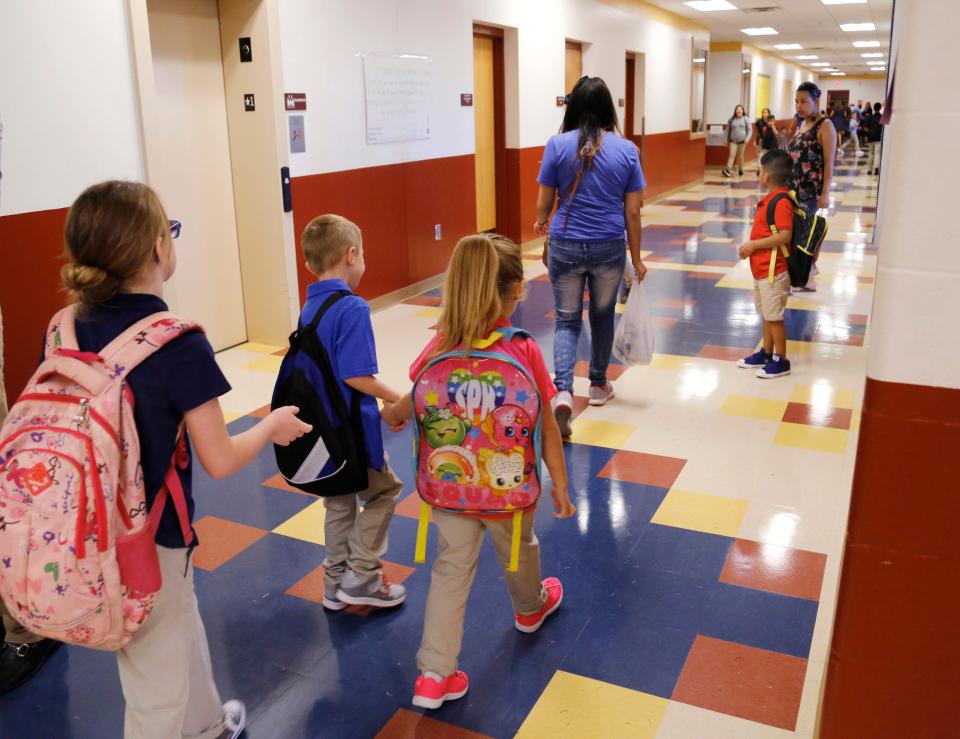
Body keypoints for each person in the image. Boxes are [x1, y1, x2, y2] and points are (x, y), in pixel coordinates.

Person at [49, 180, 310, 738]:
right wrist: (270, 425)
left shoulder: (63, 326)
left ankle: (209, 726)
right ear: (155, 249)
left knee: (174, 630)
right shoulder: (175, 342)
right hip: (149, 536)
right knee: (154, 690)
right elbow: (219, 458)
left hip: (80, 522)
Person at [382, 234, 575, 710]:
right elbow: (547, 425)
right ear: (516, 292)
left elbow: (416, 399)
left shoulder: (440, 343)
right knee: (519, 549)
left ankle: (433, 674)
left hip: (448, 489)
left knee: (451, 571)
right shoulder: (524, 350)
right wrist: (561, 486)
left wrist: (394, 413)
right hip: (508, 490)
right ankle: (530, 609)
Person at [295, 214, 408, 610]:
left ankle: (334, 586)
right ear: (352, 254)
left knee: (339, 502)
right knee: (386, 492)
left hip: (324, 431)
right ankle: (362, 573)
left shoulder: (310, 306)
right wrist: (395, 399)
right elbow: (357, 376)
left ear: (310, 264)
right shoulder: (352, 307)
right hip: (352, 431)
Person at [533, 76, 646, 437]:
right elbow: (633, 212)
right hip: (609, 245)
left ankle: (563, 390)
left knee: (566, 320)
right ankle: (597, 385)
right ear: (608, 108)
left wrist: (539, 222)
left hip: (566, 243)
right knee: (601, 315)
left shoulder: (556, 145)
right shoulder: (627, 150)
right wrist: (638, 258)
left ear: (573, 107)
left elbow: (543, 203)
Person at [736, 150, 795, 379]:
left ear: (768, 175)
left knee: (775, 318)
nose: (758, 173)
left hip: (774, 271)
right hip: (762, 270)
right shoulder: (770, 199)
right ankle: (767, 352)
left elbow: (784, 235)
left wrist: (753, 245)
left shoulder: (781, 202)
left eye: (759, 170)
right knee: (767, 315)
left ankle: (782, 360)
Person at [787, 82, 836, 291]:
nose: (799, 106)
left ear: (816, 101)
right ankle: (805, 273)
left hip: (810, 191)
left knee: (804, 234)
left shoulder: (825, 126)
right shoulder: (802, 123)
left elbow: (829, 161)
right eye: (797, 101)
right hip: (793, 190)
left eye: (804, 101)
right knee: (795, 232)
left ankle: (804, 276)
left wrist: (825, 193)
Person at [722, 104, 751, 177]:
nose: (739, 110)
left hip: (742, 141)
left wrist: (747, 139)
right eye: (737, 109)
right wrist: (725, 140)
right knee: (732, 154)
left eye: (740, 109)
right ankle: (728, 170)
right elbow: (727, 130)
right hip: (733, 141)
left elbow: (750, 130)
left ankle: (741, 169)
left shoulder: (746, 119)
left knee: (740, 156)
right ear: (735, 111)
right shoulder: (731, 119)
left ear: (742, 111)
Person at [865, 102, 883, 175]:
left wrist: (869, 133)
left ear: (874, 108)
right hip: (878, 138)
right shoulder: (882, 117)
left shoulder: (870, 117)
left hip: (870, 138)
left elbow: (866, 128)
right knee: (877, 153)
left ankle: (869, 169)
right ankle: (876, 168)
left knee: (870, 153)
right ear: (880, 108)